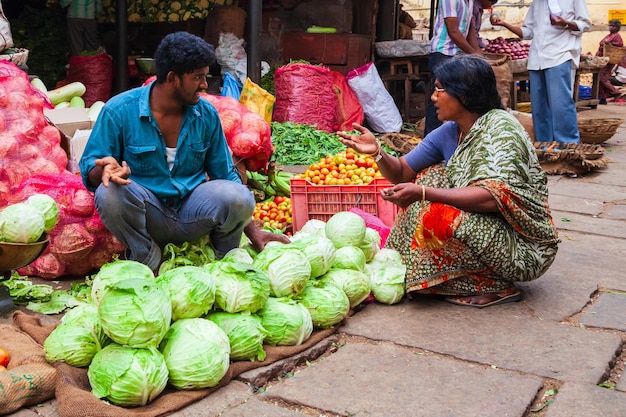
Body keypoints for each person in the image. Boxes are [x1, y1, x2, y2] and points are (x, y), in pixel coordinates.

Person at [337, 55, 559, 308]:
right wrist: (378, 152)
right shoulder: (450, 131)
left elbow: (493, 198)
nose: (433, 97)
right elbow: (401, 171)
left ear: (464, 95)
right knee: (430, 176)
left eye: (440, 90)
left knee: (435, 203)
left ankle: (494, 283)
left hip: (523, 246)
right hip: (484, 228)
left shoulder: (501, 130)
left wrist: (424, 193)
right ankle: (448, 274)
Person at [79, 32, 289, 272]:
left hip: (193, 212)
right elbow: (89, 169)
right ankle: (147, 259)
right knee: (110, 192)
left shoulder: (206, 114)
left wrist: (252, 231)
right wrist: (104, 169)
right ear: (172, 78)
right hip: (149, 212)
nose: (204, 84)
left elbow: (225, 175)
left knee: (239, 195)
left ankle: (224, 261)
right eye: (197, 77)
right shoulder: (119, 111)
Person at [490, 0, 590, 144]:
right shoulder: (537, 3)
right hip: (537, 58)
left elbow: (584, 24)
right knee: (538, 108)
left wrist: (565, 23)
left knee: (560, 105)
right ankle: (544, 145)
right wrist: (504, 24)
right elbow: (528, 32)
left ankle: (569, 145)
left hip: (559, 55)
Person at [424, 0, 480, 137]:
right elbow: (453, 31)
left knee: (457, 99)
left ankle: (456, 138)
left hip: (456, 54)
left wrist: (479, 55)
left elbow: (470, 29)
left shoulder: (470, 1)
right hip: (443, 53)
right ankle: (430, 141)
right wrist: (473, 54)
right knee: (439, 99)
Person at [595, 19, 623, 104]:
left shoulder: (617, 36)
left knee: (602, 79)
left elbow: (618, 47)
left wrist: (609, 45)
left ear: (617, 28)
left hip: (609, 60)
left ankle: (615, 92)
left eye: (613, 26)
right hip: (602, 59)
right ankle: (602, 98)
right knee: (598, 78)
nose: (611, 27)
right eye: (610, 25)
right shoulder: (609, 35)